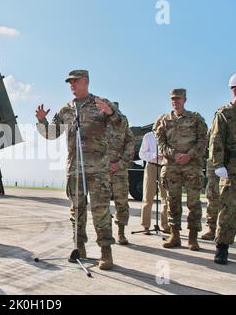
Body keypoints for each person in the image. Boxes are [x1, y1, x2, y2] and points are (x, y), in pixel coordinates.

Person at [36, 70, 125, 270]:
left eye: (75, 81)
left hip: (98, 169)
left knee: (101, 210)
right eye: (70, 82)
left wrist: (111, 113)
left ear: (86, 81)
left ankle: (105, 252)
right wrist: (42, 121)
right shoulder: (66, 110)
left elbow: (121, 127)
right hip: (75, 169)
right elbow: (51, 134)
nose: (72, 85)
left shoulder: (101, 104)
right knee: (77, 210)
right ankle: (79, 247)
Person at [155, 89, 207, 250]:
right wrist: (174, 154)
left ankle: (193, 237)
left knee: (193, 202)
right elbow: (161, 142)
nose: (175, 101)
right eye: (173, 99)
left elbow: (203, 139)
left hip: (192, 166)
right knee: (173, 202)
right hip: (172, 166)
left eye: (178, 99)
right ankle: (175, 235)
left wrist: (189, 155)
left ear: (185, 100)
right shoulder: (164, 120)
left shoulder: (195, 118)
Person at [209, 72, 236, 264]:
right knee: (229, 209)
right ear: (235, 90)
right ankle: (222, 247)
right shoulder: (225, 114)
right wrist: (218, 164)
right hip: (231, 168)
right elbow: (216, 140)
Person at [108, 106, 135, 244]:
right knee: (101, 205)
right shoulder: (99, 126)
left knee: (122, 203)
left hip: (119, 171)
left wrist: (119, 164)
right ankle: (105, 234)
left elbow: (130, 145)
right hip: (102, 171)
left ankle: (121, 233)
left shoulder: (123, 126)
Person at [139, 131, 170, 234]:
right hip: (151, 165)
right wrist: (154, 155)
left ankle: (165, 225)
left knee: (166, 197)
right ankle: (145, 225)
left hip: (165, 166)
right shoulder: (148, 136)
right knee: (148, 196)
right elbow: (142, 154)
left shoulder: (168, 135)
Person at [201, 129, 220, 240]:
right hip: (214, 166)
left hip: (233, 165)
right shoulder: (214, 126)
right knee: (212, 197)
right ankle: (212, 228)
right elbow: (205, 145)